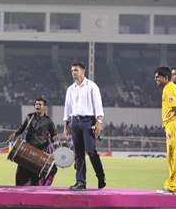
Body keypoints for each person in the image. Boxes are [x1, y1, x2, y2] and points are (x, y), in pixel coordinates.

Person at [63, 62, 106, 191]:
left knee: (91, 151)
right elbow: (67, 108)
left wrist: (99, 122)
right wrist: (66, 126)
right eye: (72, 70)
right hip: (75, 122)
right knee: (78, 154)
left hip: (89, 122)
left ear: (83, 71)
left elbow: (98, 105)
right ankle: (80, 182)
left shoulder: (92, 86)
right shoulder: (70, 89)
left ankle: (100, 176)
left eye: (75, 70)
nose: (73, 73)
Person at [8, 97, 57, 186]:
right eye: (36, 104)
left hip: (40, 154)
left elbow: (54, 136)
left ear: (44, 107)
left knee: (36, 179)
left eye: (40, 104)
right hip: (27, 151)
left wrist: (56, 149)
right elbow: (21, 130)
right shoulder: (29, 117)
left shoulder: (49, 121)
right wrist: (14, 135)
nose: (37, 106)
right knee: (20, 176)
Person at [155, 67, 176, 194]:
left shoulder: (169, 88)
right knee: (174, 155)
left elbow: (175, 107)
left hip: (174, 123)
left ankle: (175, 187)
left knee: (175, 155)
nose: (156, 79)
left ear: (165, 77)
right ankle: (172, 184)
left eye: (158, 77)